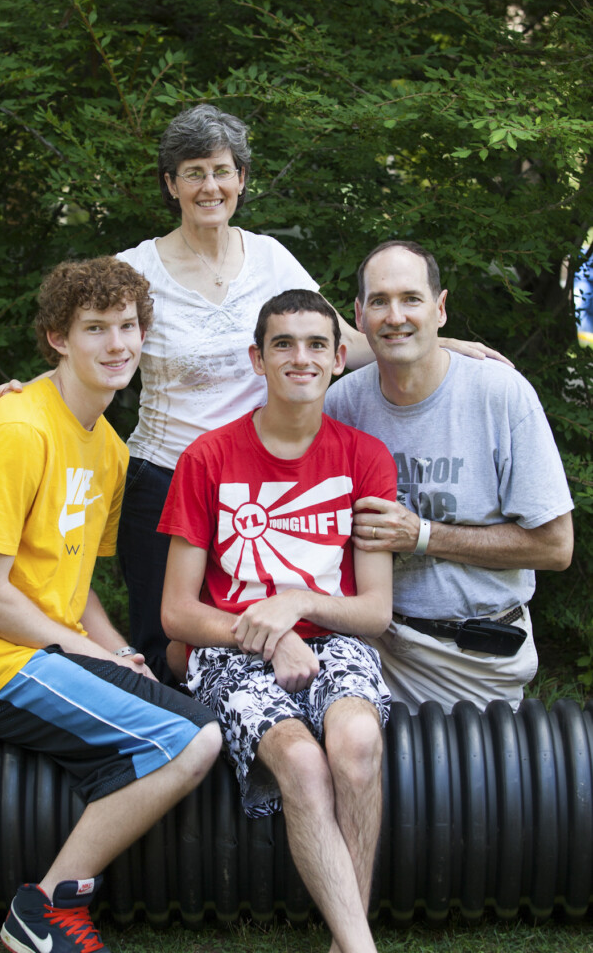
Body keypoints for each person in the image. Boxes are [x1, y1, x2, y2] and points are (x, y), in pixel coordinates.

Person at [0, 105, 506, 685]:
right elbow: (89, 349)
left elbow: (340, 344)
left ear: (242, 179)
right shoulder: (137, 268)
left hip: (260, 484)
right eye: (192, 172)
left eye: (221, 170)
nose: (209, 186)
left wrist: (433, 344)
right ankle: (176, 756)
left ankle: (255, 755)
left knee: (254, 641)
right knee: (166, 640)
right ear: (171, 184)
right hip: (164, 480)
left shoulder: (271, 259)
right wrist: (17, 392)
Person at [0, 257, 221, 953]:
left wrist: (118, 649)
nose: (117, 344)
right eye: (96, 328)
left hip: (41, 651)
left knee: (181, 716)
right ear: (59, 338)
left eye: (127, 326)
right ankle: (46, 907)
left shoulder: (109, 450)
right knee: (190, 737)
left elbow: (72, 578)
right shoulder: (17, 431)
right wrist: (93, 654)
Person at [159, 289, 396, 953]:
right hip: (228, 652)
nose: (301, 357)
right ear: (256, 359)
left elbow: (374, 611)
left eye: (316, 344)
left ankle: (346, 940)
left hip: (335, 641)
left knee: (354, 747)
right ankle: (359, 946)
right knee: (300, 760)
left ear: (339, 358)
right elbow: (175, 611)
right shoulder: (207, 459)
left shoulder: (364, 459)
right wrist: (270, 632)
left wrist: (298, 604)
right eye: (283, 344)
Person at [324, 240, 575, 713]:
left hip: (477, 658)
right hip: (374, 649)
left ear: (440, 309)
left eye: (411, 299)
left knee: (470, 783)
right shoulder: (342, 405)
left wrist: (421, 535)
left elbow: (555, 547)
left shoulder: (499, 394)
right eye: (379, 301)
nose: (395, 315)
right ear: (358, 316)